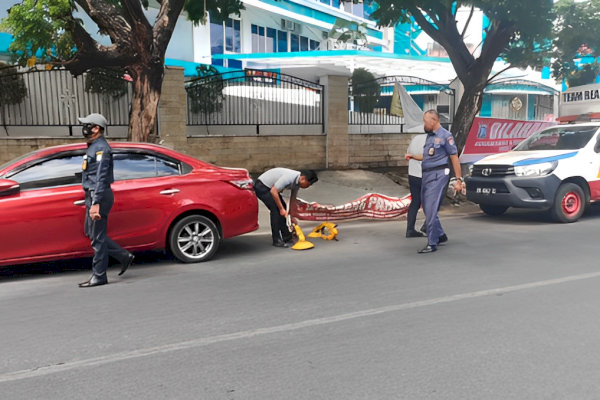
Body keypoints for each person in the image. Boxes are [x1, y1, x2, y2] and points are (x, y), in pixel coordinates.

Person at [78, 113, 134, 287]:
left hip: (99, 196)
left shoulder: (102, 148)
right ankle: (123, 256)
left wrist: (95, 202)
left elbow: (101, 178)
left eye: (87, 124)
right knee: (91, 232)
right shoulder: (93, 146)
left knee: (98, 238)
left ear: (96, 128)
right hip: (93, 195)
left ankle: (99, 275)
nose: (84, 127)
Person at [407, 110, 463, 254]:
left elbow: (454, 157)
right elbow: (427, 156)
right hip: (426, 175)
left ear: (434, 120)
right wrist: (412, 156)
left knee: (431, 208)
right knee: (426, 207)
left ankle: (432, 242)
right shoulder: (429, 137)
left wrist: (458, 179)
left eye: (426, 121)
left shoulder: (446, 136)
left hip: (438, 175)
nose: (424, 124)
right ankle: (441, 235)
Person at [254, 168, 318, 248]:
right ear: (303, 178)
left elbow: (293, 198)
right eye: (308, 184)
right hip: (262, 187)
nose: (308, 186)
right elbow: (274, 191)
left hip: (271, 188)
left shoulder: (297, 182)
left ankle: (286, 236)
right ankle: (276, 239)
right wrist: (281, 209)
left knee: (283, 208)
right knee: (276, 210)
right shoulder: (289, 178)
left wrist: (291, 215)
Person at [404, 133, 427, 238]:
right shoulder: (432, 140)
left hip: (412, 174)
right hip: (425, 176)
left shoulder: (415, 139)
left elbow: (408, 154)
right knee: (430, 202)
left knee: (415, 202)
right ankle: (427, 226)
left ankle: (410, 229)